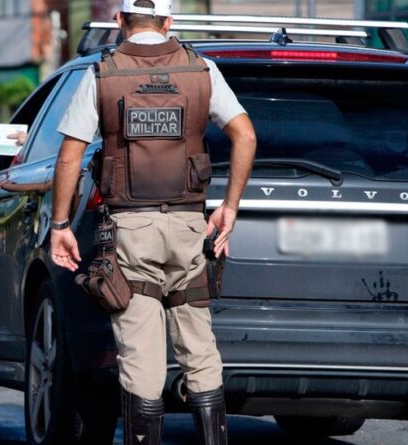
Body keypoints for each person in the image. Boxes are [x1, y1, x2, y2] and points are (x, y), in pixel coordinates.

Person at [49, 1, 256, 444]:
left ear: (120, 20)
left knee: (141, 359)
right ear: (169, 21)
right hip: (189, 226)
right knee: (200, 353)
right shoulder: (202, 70)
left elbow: (69, 154)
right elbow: (245, 134)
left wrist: (60, 224)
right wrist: (230, 208)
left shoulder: (102, 74)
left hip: (130, 232)